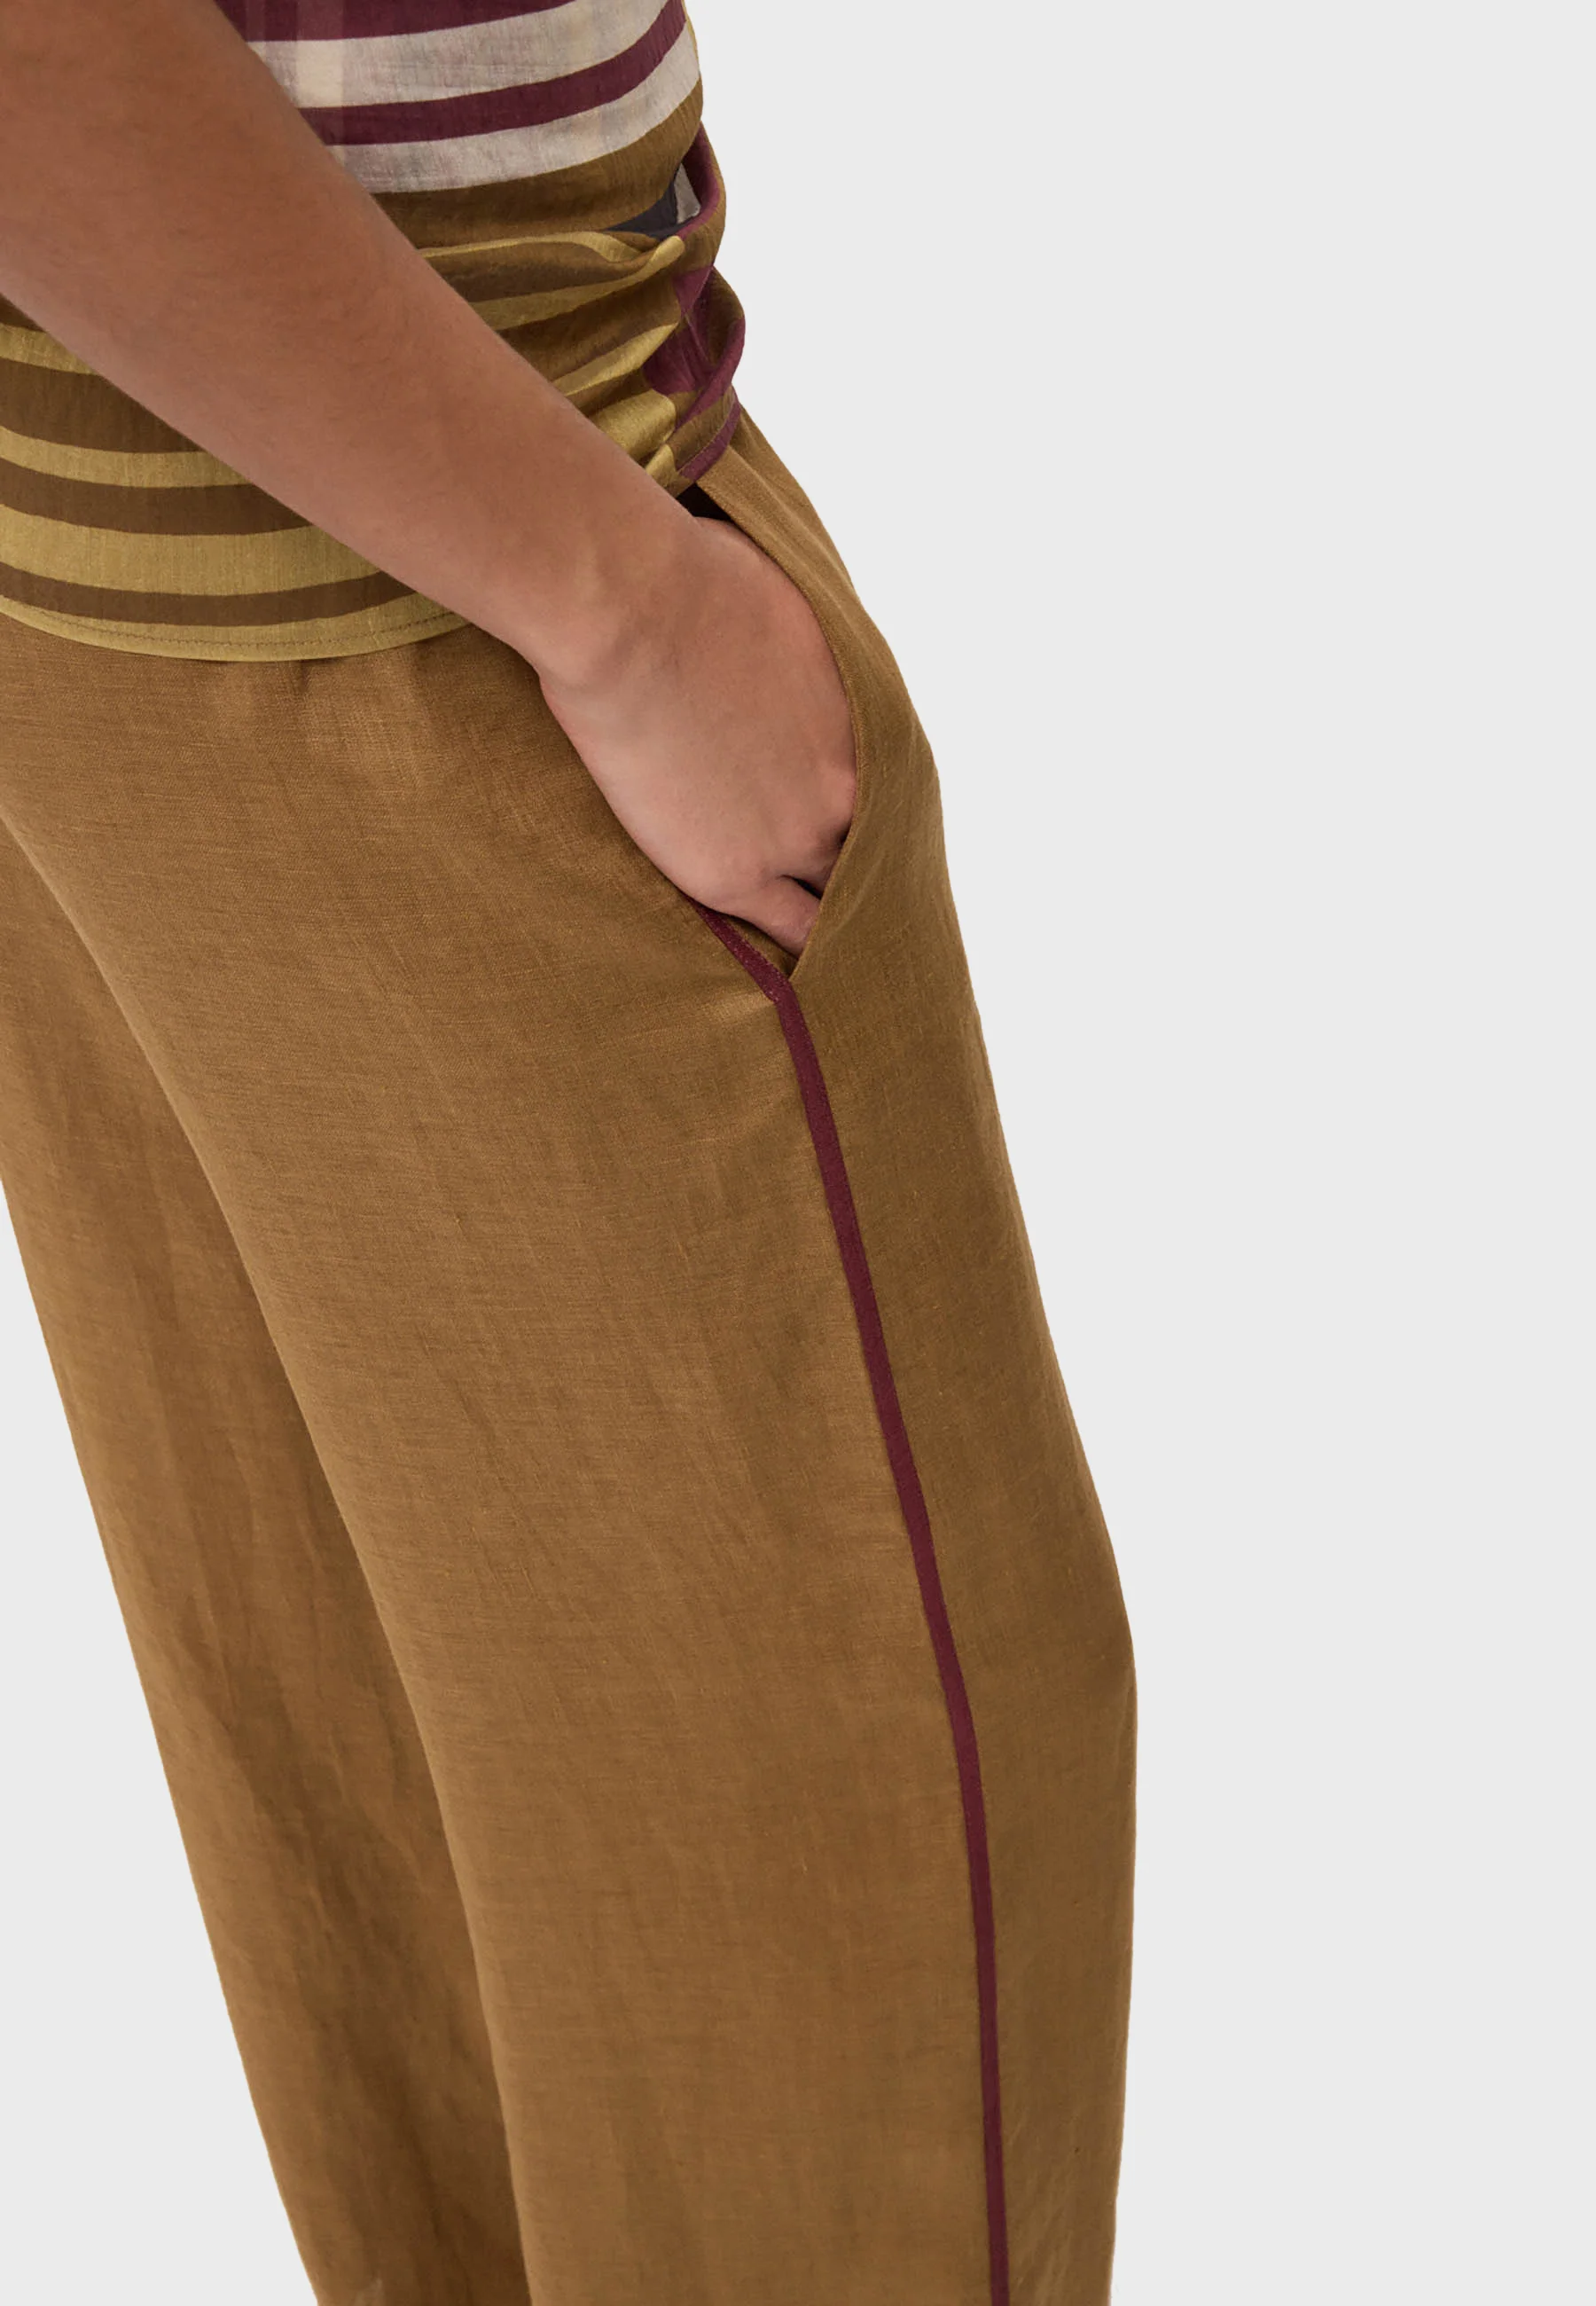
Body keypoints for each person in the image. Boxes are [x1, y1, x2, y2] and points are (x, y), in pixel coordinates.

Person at [0, 4, 1136, 2302]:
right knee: (859, 1933)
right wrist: (615, 604)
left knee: (429, 1893)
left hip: (124, 561)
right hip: (442, 580)